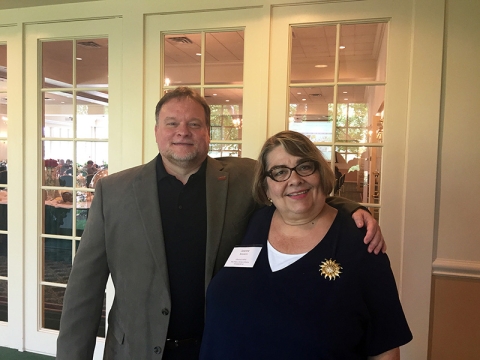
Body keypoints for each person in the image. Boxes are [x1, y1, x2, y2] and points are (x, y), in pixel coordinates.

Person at [56, 87, 385, 360]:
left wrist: (350, 208)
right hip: (136, 352)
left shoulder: (242, 178)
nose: (183, 132)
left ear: (208, 133)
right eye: (172, 123)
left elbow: (293, 187)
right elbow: (85, 288)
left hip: (221, 349)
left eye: (194, 124)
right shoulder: (114, 191)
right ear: (156, 131)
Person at [200, 130, 412, 360]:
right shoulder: (253, 221)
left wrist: (352, 208)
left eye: (304, 167)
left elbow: (385, 346)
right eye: (280, 172)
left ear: (320, 172)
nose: (294, 179)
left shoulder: (360, 241)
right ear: (266, 186)